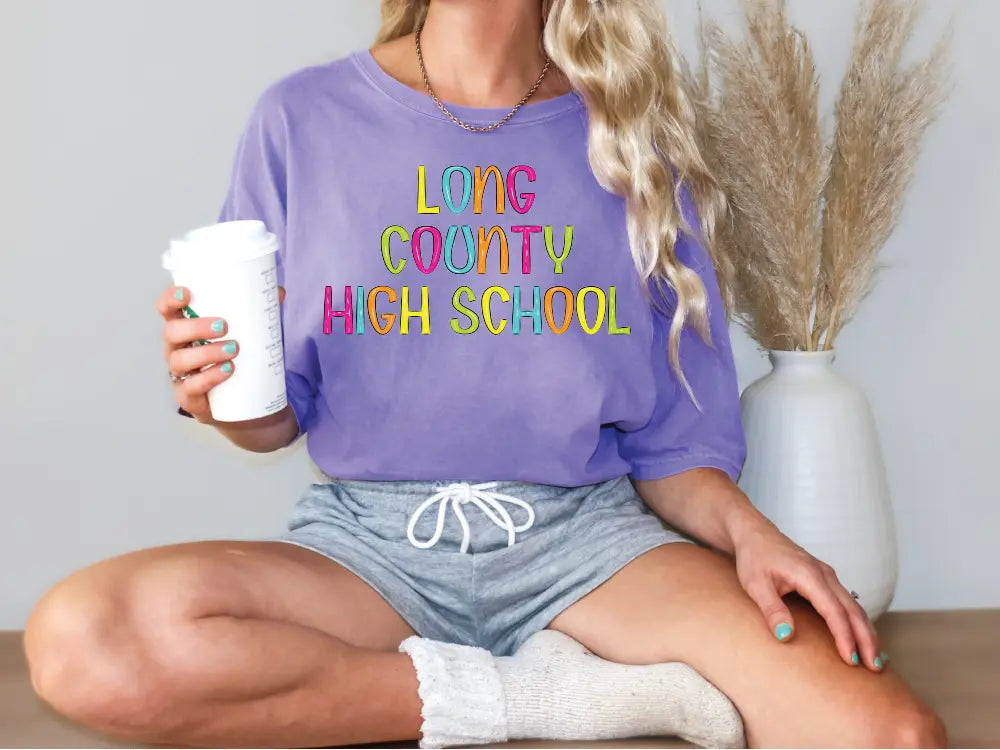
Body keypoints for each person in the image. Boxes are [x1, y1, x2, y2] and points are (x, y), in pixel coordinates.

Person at [24, 1, 946, 748]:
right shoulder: (300, 120)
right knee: (80, 644)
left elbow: (673, 448)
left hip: (588, 548)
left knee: (888, 734)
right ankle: (539, 698)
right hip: (369, 551)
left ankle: (522, 681)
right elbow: (275, 418)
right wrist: (213, 389)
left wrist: (753, 536)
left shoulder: (637, 139)